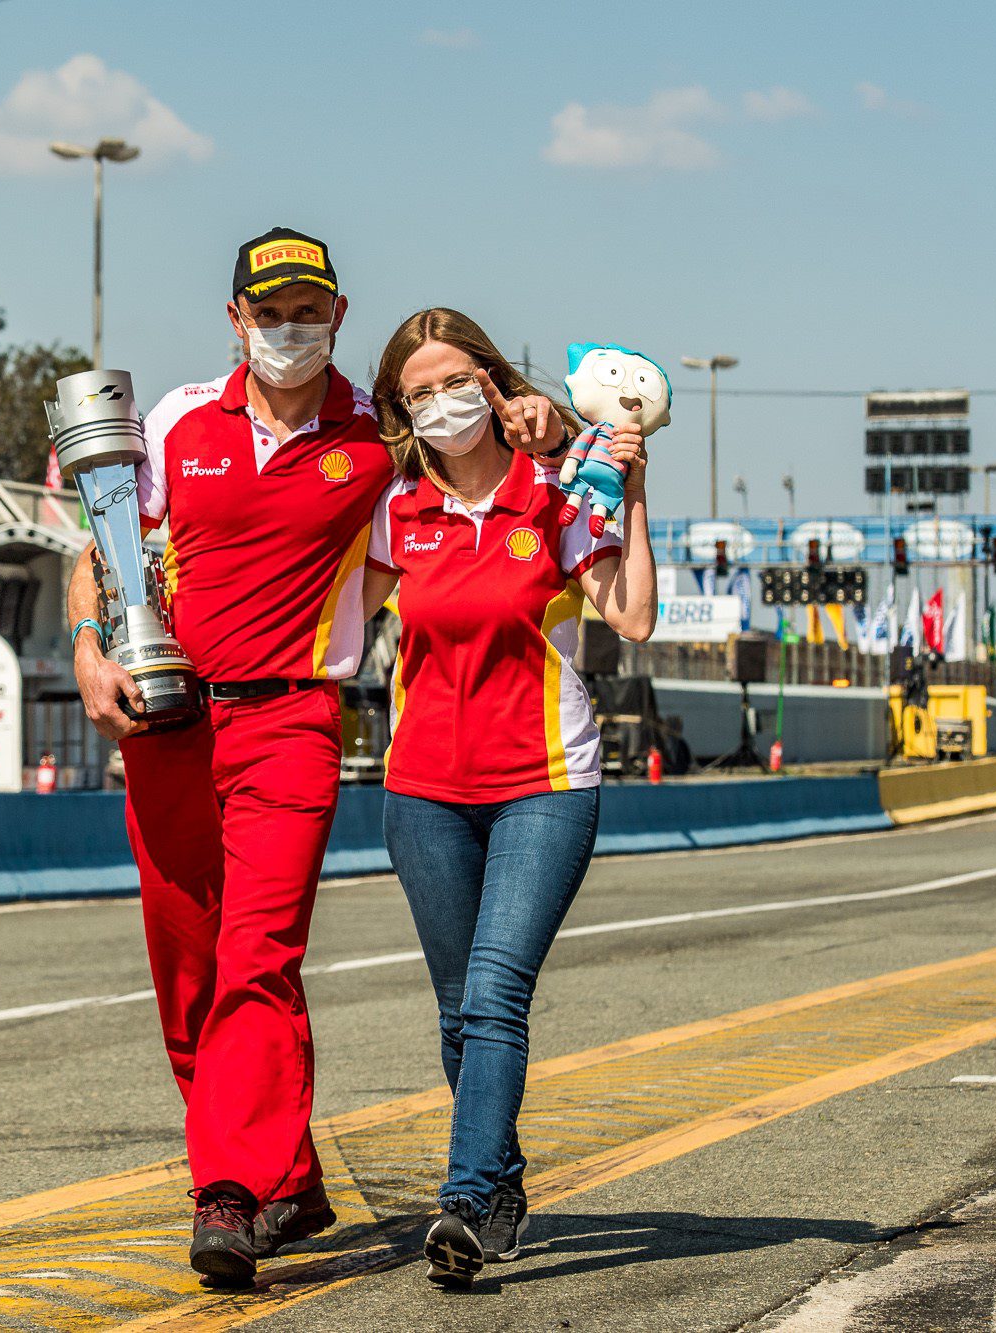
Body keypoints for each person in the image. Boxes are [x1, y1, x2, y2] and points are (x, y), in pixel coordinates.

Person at [68, 232, 567, 1285]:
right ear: (235, 319)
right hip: (165, 719)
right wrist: (85, 650)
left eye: (309, 309)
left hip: (290, 720)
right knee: (188, 973)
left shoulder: (378, 442)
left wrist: (541, 420)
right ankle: (285, 1174)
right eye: (270, 310)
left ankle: (229, 1194)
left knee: (257, 954)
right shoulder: (172, 418)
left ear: (337, 314)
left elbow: (485, 465)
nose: (289, 328)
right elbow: (103, 545)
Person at [361, 308, 656, 1288]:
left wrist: (634, 492)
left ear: (495, 383)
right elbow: (318, 633)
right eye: (419, 393)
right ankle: (498, 1187)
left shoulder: (562, 492)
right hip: (422, 794)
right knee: (456, 1012)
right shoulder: (393, 513)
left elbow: (635, 615)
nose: (442, 403)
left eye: (457, 381)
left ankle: (462, 1202)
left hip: (544, 785)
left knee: (493, 995)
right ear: (402, 412)